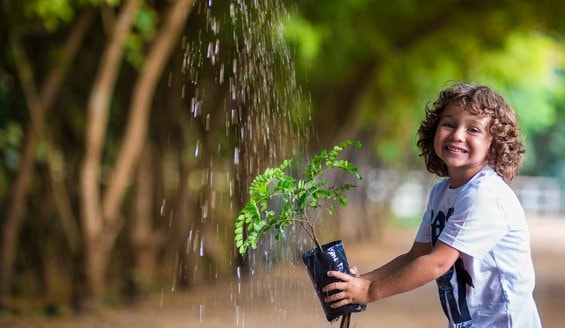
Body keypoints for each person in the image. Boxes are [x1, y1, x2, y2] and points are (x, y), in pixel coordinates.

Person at [322, 82, 542, 327]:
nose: (458, 134)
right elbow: (417, 255)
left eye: (473, 129)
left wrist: (370, 291)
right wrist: (361, 282)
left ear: (495, 145)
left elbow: (436, 263)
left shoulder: (485, 195)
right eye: (449, 124)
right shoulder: (442, 192)